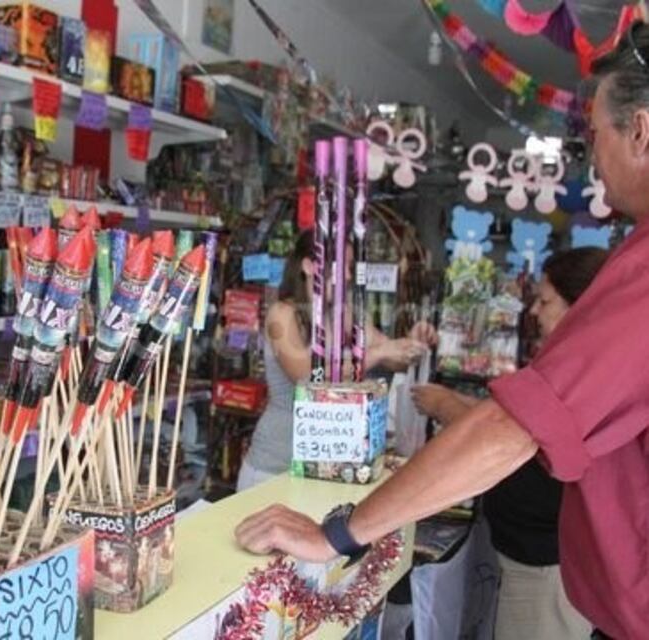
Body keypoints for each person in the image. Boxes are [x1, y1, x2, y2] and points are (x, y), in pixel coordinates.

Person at [237, 27, 649, 638]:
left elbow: (515, 428)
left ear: (640, 131)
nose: (591, 156)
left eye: (594, 135)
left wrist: (339, 534)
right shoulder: (285, 313)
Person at [413, 248, 608, 640]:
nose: (533, 311)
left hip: (546, 568)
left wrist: (447, 407)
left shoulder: (589, 374)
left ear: (580, 307)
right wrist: (459, 403)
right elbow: (520, 423)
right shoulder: (573, 364)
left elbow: (514, 438)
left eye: (545, 302)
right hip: (528, 558)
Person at [237, 231, 436, 491]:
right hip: (274, 465)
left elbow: (393, 359)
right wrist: (377, 353)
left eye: (350, 267)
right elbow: (307, 377)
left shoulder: (343, 314)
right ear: (309, 266)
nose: (349, 275)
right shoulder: (282, 314)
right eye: (342, 265)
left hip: (323, 467)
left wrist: (413, 342)